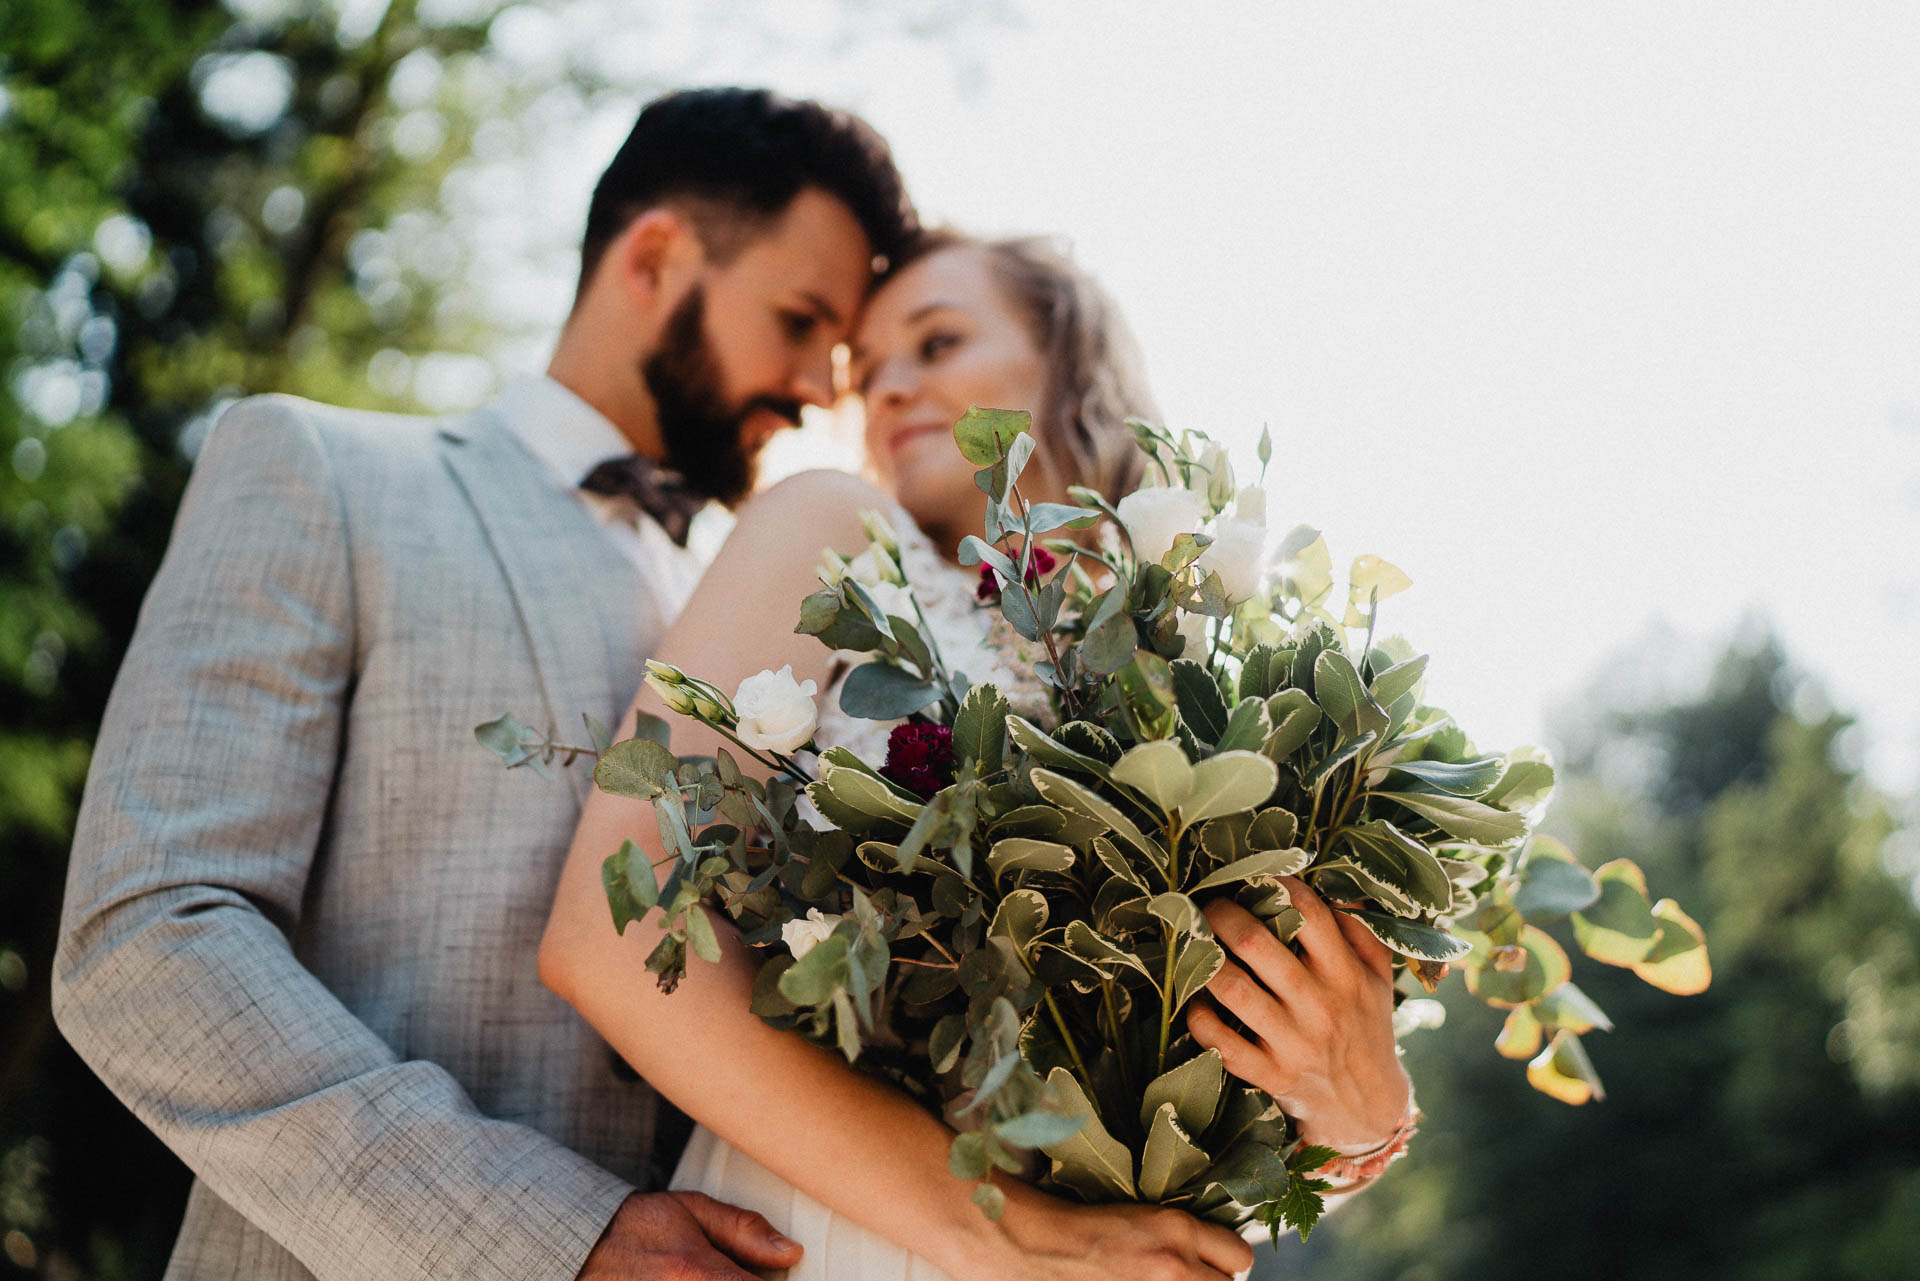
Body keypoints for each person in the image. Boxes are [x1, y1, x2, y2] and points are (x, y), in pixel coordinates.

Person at [52, 87, 918, 1281]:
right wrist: (549, 1239)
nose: (822, 386)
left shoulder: (779, 612)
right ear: (655, 258)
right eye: (799, 318)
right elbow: (148, 939)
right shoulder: (325, 472)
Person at [539, 231, 1415, 1280]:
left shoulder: (1212, 675)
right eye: (867, 372)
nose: (886, 389)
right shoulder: (834, 531)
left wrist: (1364, 1123)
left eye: (937, 341)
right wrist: (1008, 1236)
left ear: (1066, 360)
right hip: (826, 1236)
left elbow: (1227, 1139)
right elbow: (609, 935)